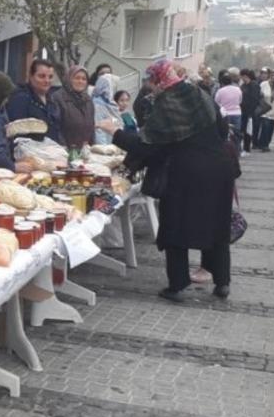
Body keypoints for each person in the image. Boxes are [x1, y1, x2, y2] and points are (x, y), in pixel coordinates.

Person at [98, 60, 237, 302]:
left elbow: (148, 145)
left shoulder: (166, 104)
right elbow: (222, 128)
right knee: (216, 225)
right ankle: (222, 282)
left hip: (186, 173)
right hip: (219, 169)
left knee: (176, 227)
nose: (150, 88)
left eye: (151, 82)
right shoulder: (199, 93)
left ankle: (177, 285)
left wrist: (115, 133)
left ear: (158, 80)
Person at [5, 59, 62, 142]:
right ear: (31, 76)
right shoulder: (20, 99)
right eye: (41, 76)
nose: (47, 81)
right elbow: (15, 133)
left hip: (50, 151)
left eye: (50, 77)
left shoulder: (52, 100)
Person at [52, 65, 95, 148]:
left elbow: (92, 127)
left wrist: (92, 147)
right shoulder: (58, 98)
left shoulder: (88, 100)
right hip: (65, 151)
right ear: (69, 79)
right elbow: (56, 127)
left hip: (84, 151)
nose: (80, 81)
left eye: (84, 79)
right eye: (77, 78)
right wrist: (63, 147)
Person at [92, 73, 123, 144]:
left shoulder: (110, 104)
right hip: (105, 148)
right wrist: (104, 148)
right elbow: (98, 131)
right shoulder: (98, 105)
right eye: (114, 86)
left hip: (114, 143)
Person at [215, 72, 243, 146]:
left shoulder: (220, 91)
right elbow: (240, 100)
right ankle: (238, 149)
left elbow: (216, 102)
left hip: (225, 114)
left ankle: (227, 150)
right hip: (237, 113)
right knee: (236, 132)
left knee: (226, 133)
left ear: (222, 83)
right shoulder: (238, 89)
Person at [239, 69, 262, 155]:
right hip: (243, 111)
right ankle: (243, 147)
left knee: (248, 130)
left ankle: (246, 148)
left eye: (242, 76)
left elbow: (255, 99)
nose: (241, 78)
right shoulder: (243, 85)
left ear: (245, 76)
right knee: (243, 129)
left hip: (250, 111)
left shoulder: (254, 85)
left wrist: (250, 112)